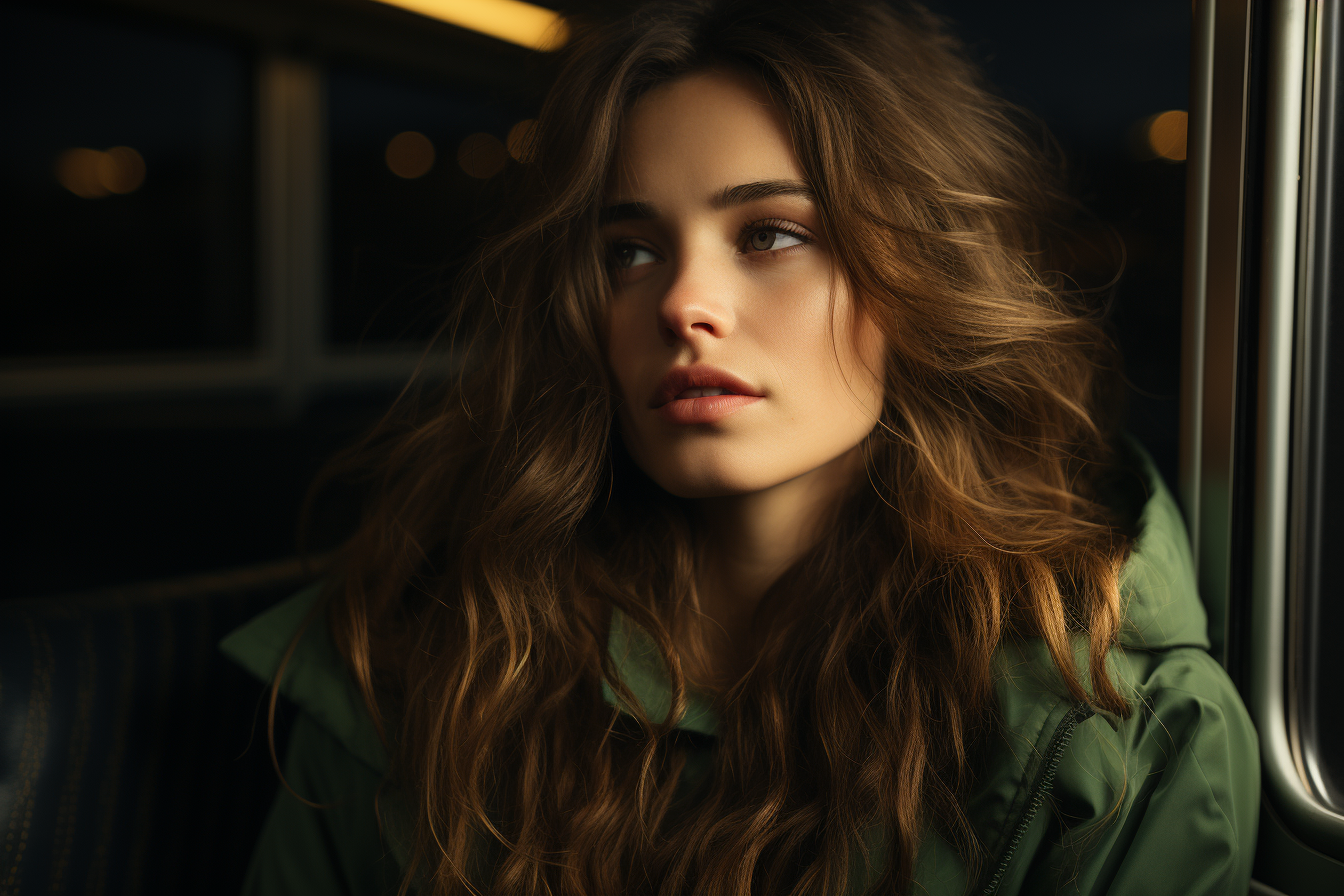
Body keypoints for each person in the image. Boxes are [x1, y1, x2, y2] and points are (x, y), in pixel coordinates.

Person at [222, 1, 1260, 893]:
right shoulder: (433, 655)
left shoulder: (1121, 729)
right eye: (629, 251)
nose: (681, 302)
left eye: (769, 234)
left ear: (917, 270)